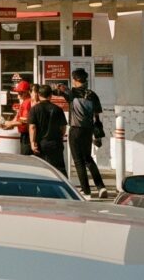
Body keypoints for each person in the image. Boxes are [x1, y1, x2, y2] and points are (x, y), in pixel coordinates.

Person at [64, 68, 108, 198]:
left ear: (76, 79)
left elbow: (60, 93)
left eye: (73, 78)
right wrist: (98, 135)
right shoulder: (93, 95)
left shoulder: (72, 93)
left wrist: (60, 88)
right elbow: (97, 117)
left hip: (75, 129)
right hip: (88, 130)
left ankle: (86, 191)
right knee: (88, 159)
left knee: (78, 161)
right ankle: (101, 187)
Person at [28, 85, 67, 176]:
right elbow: (63, 127)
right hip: (55, 144)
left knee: (41, 171)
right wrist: (60, 136)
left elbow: (32, 127)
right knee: (59, 170)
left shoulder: (34, 109)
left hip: (41, 145)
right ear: (51, 95)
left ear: (38, 95)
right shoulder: (58, 109)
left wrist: (32, 142)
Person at [0, 81, 34, 155]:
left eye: (21, 92)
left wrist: (11, 124)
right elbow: (18, 117)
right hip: (25, 134)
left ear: (27, 92)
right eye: (18, 92)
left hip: (27, 134)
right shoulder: (25, 102)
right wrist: (8, 123)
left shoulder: (27, 102)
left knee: (26, 157)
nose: (19, 94)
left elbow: (24, 120)